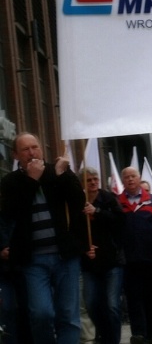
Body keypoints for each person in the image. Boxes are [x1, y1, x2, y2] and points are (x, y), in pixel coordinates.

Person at [0, 133, 87, 344]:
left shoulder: (56, 171)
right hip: (33, 260)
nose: (32, 153)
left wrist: (63, 175)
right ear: (15, 155)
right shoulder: (10, 181)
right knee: (41, 313)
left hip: (65, 256)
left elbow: (78, 202)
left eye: (35, 147)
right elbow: (11, 212)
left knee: (68, 314)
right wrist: (32, 180)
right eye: (25, 149)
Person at [118, 167, 152, 344]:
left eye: (133, 176)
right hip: (129, 260)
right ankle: (138, 333)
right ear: (122, 181)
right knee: (133, 297)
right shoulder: (118, 203)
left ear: (139, 178)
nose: (130, 179)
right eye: (126, 177)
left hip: (151, 258)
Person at [81, 167, 125, 344]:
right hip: (90, 263)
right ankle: (104, 334)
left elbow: (120, 221)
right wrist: (84, 247)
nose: (93, 183)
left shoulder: (108, 198)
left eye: (95, 179)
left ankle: (113, 340)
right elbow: (73, 230)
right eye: (89, 180)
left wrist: (97, 212)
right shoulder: (78, 202)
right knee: (91, 304)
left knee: (112, 305)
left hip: (111, 260)